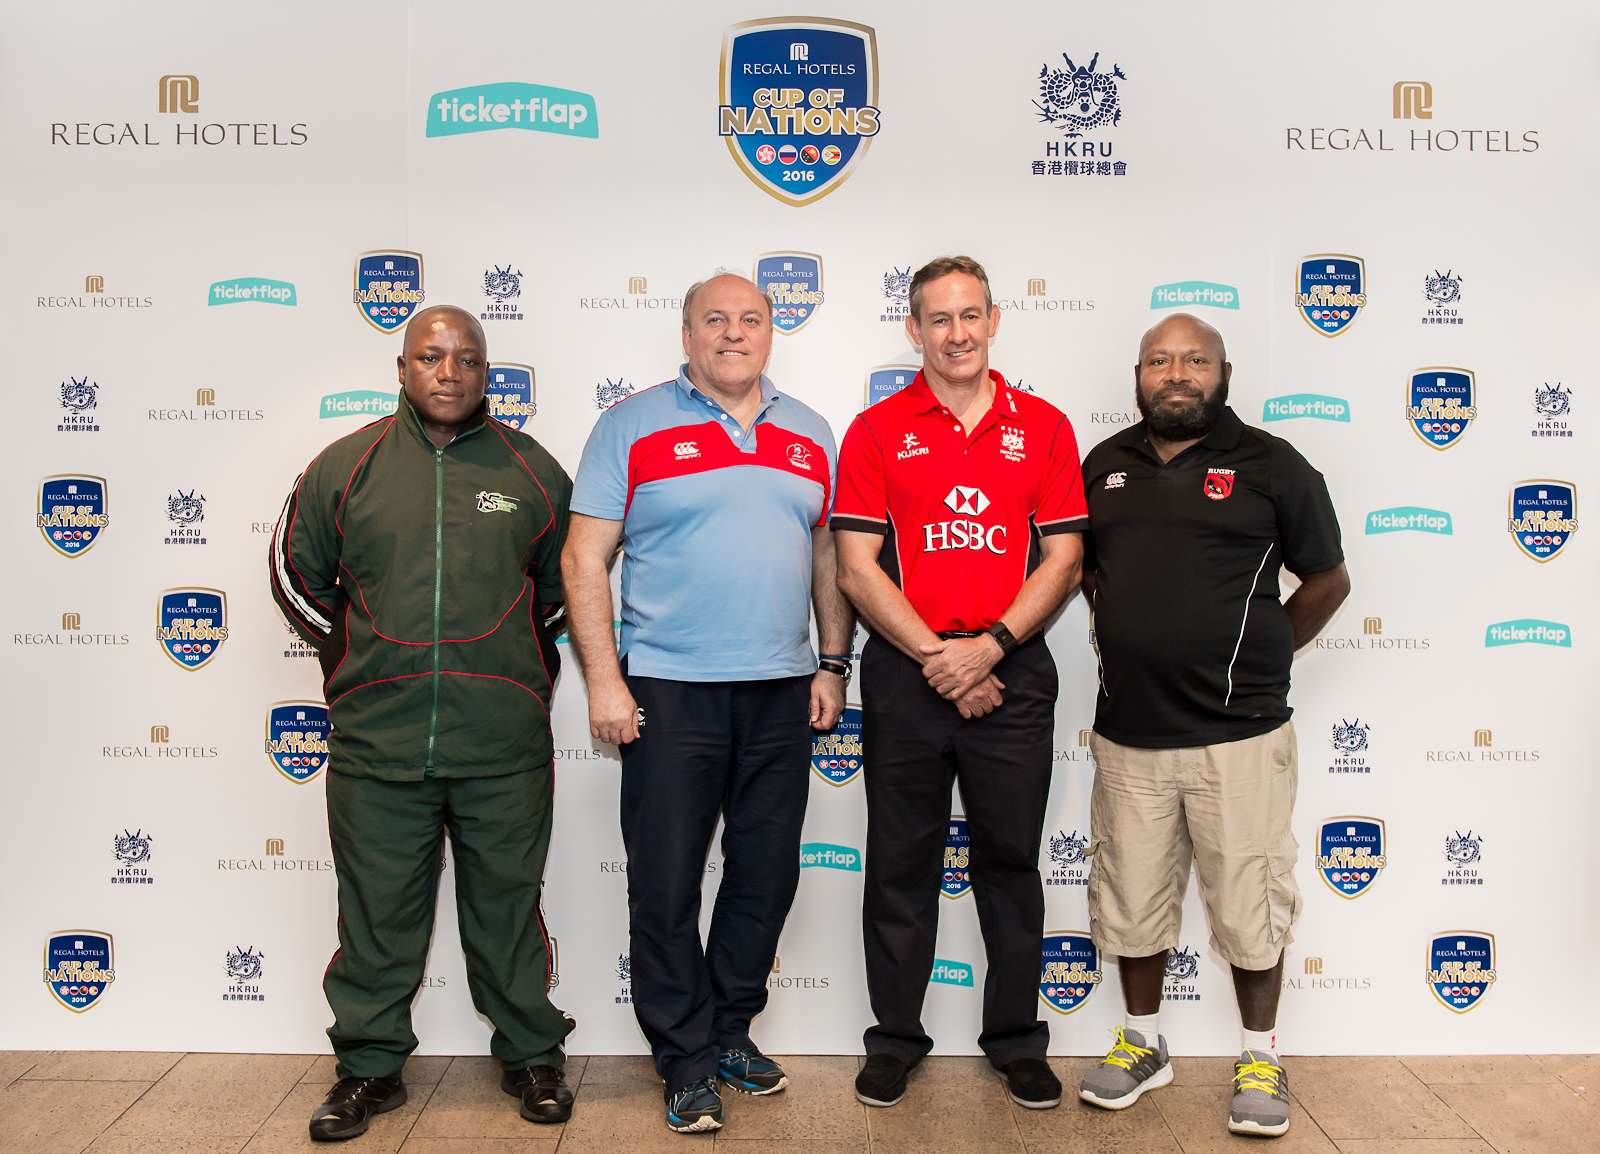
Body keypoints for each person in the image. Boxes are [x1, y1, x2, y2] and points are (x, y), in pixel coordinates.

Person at [270, 306, 577, 1141]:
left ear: (488, 372)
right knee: (375, 915)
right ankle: (368, 1070)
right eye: (431, 357)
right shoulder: (347, 466)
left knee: (508, 911)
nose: (449, 372)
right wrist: (356, 665)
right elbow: (297, 578)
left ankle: (530, 1055)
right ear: (401, 368)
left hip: (501, 747)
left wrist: (513, 671)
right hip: (379, 743)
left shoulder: (533, 472)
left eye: (467, 359)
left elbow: (564, 594)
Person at [560, 273, 851, 1134]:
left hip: (780, 691)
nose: (733, 333)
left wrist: (833, 663)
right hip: (667, 692)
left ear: (772, 333)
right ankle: (682, 1059)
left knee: (765, 877)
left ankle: (729, 1033)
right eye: (715, 320)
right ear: (686, 335)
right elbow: (584, 560)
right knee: (666, 884)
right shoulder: (631, 425)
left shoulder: (810, 432)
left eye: (750, 320)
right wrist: (606, 679)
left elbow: (828, 555)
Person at [1075, 313, 1350, 1138]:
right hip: (1129, 734)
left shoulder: (1272, 464)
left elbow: (1328, 579)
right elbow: (1085, 574)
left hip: (1242, 737)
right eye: (1160, 360)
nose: (1177, 373)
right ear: (1137, 375)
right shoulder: (1103, 467)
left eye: (1195, 360)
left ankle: (1260, 1054)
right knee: (1131, 899)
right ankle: (1143, 1043)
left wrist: (1267, 654)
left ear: (1223, 375)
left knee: (1248, 904)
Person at [832, 255, 1087, 1111]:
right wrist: (944, 661)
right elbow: (857, 568)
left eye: (970, 314)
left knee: (1010, 864)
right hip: (909, 675)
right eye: (938, 319)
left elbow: (1065, 558)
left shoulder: (1044, 426)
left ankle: (1016, 1041)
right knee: (899, 865)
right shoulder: (874, 430)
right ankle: (895, 1041)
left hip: (1012, 674)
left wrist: (992, 646)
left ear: (994, 319)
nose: (957, 333)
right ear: (914, 329)